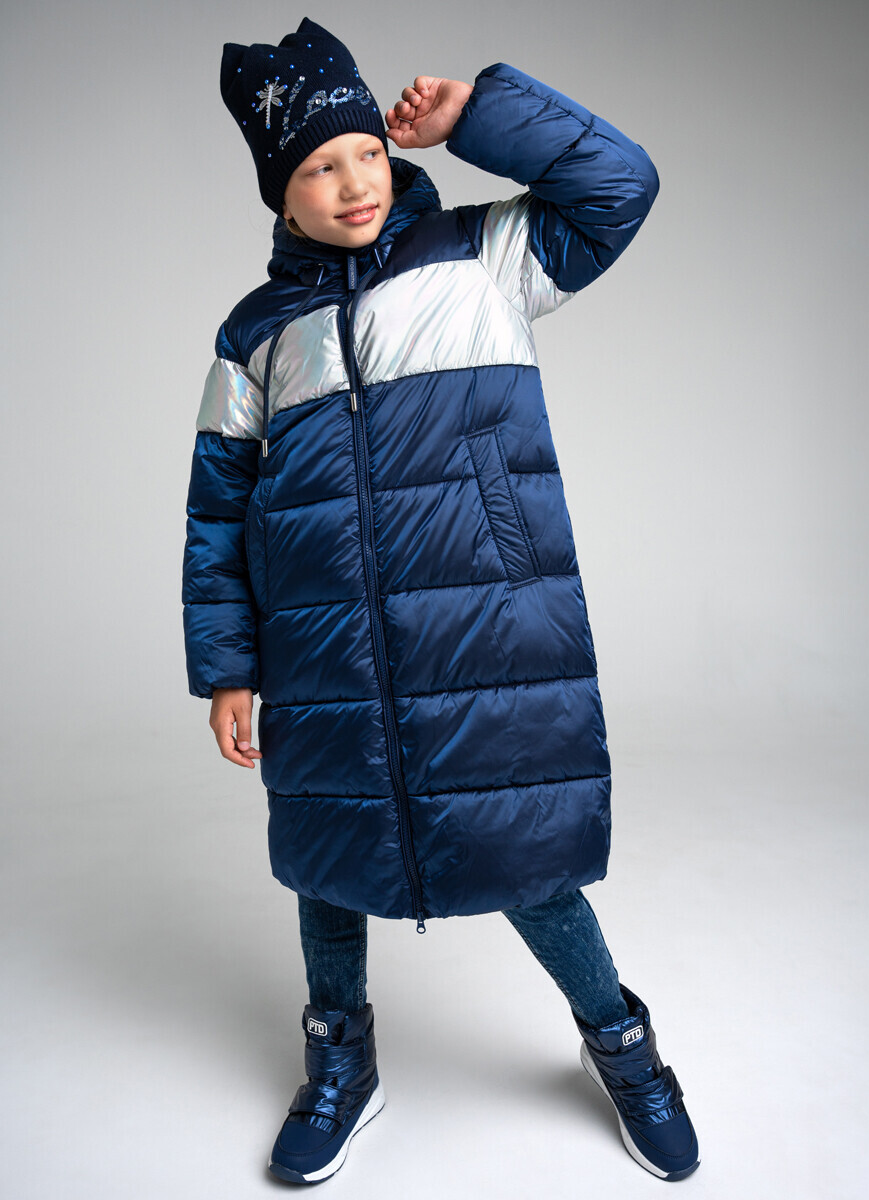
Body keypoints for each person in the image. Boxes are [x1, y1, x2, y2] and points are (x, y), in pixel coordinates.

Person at [182, 15, 700, 1186]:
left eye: (364, 150)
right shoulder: (256, 335)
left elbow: (620, 186)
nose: (353, 181)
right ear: (281, 193)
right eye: (319, 166)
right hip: (320, 651)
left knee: (527, 860)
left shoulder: (481, 257)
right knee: (326, 863)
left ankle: (622, 1045)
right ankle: (341, 1060)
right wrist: (229, 666)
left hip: (485, 631)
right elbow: (217, 509)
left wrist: (481, 117)